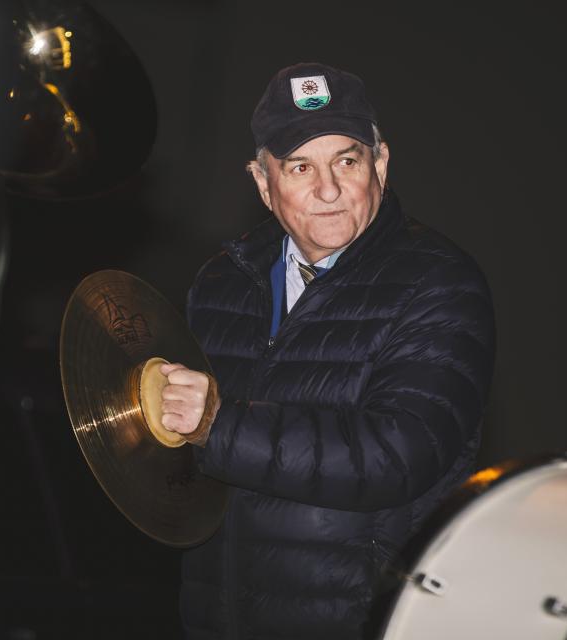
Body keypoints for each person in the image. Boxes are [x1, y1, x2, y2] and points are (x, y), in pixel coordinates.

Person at [158, 62, 496, 639]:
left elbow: (397, 456)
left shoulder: (439, 283)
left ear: (380, 165)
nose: (330, 189)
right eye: (300, 167)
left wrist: (218, 426)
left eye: (347, 161)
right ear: (263, 183)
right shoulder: (220, 284)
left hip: (365, 623)